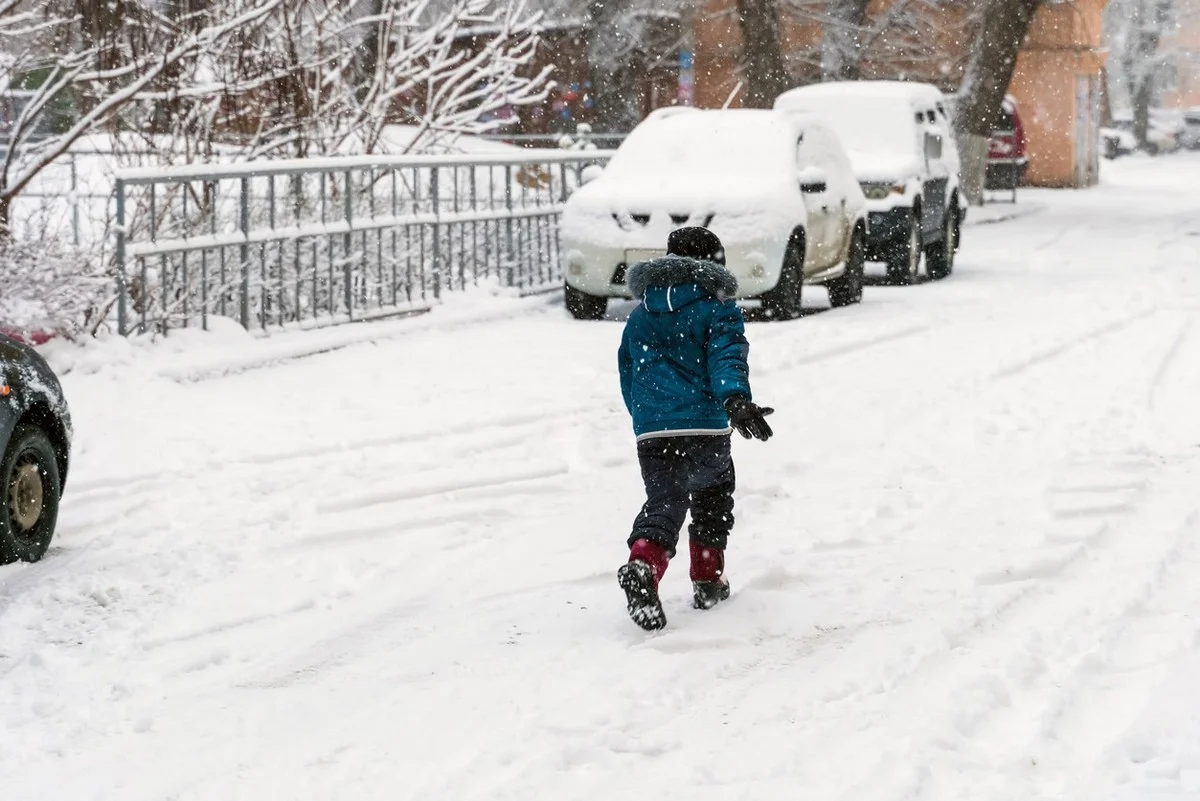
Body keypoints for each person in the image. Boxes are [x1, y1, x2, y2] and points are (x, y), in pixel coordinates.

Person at [616, 227, 774, 631]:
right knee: (713, 495)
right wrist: (735, 401)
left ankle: (644, 563)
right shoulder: (717, 309)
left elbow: (628, 372)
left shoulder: (638, 317)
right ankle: (707, 578)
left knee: (665, 501)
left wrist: (646, 418)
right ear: (712, 263)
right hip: (704, 427)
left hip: (652, 432)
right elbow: (727, 359)